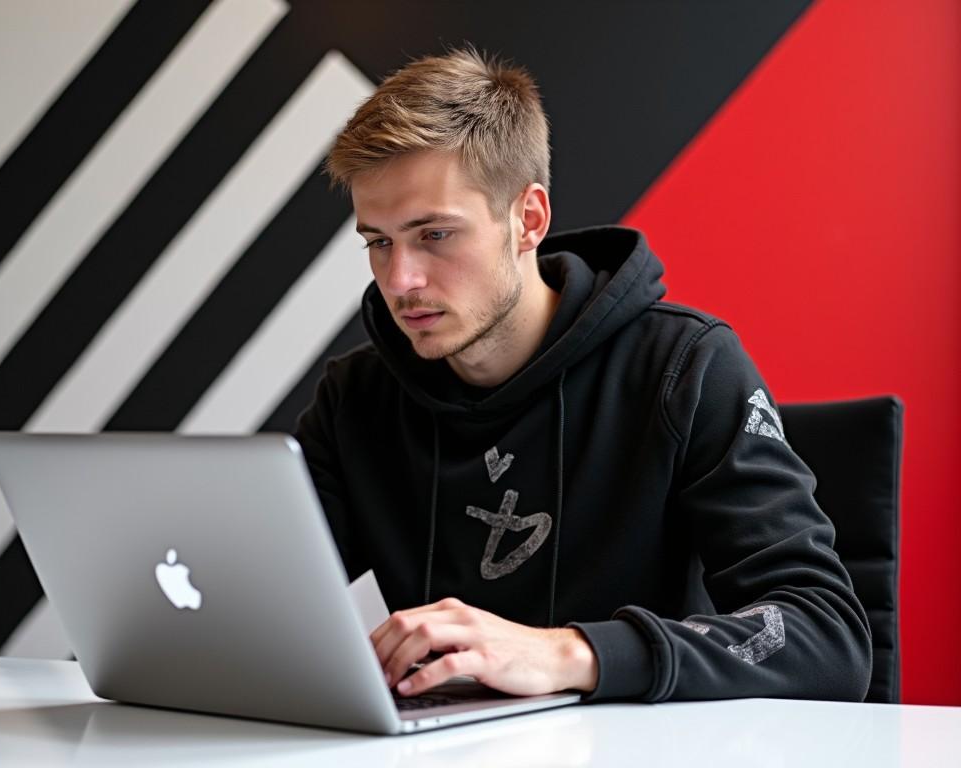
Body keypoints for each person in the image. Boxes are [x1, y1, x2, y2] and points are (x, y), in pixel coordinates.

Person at [294, 44, 872, 703]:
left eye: (434, 235)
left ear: (527, 220)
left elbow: (825, 638)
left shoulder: (684, 368)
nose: (401, 280)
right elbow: (266, 607)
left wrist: (573, 652)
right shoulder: (354, 399)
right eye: (379, 242)